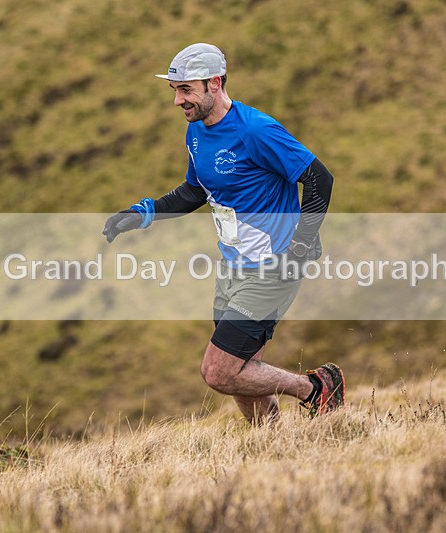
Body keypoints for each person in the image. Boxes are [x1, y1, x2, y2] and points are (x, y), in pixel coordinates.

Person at [102, 43, 344, 424]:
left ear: (214, 83)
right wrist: (144, 213)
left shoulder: (256, 130)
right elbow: (195, 190)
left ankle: (315, 388)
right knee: (243, 372)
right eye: (175, 90)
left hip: (272, 267)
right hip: (232, 267)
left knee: (219, 371)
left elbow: (318, 178)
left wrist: (300, 246)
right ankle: (273, 442)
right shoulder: (196, 132)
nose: (178, 101)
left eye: (186, 90)